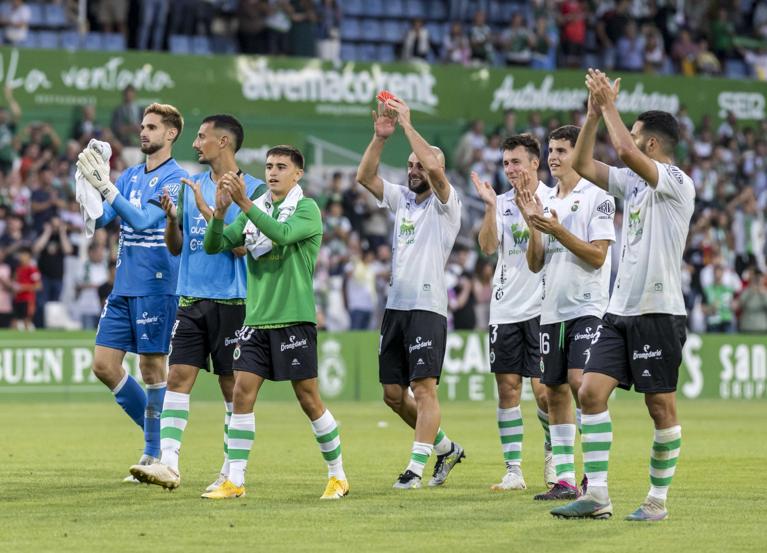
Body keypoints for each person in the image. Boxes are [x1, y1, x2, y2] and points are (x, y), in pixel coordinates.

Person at [551, 69, 694, 521]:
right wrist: (593, 114)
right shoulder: (632, 182)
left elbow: (626, 153)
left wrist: (609, 105)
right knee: (590, 393)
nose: (627, 140)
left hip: (658, 310)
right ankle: (598, 496)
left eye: (634, 134)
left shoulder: (676, 181)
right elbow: (583, 164)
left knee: (660, 406)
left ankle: (657, 500)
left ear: (652, 144)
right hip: (618, 310)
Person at [201, 145, 349, 500]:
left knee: (309, 399)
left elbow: (281, 235)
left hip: (294, 320)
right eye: (268, 166)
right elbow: (214, 246)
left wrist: (243, 206)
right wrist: (220, 214)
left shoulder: (307, 209)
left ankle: (338, 475)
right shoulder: (256, 208)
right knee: (241, 393)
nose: (273, 172)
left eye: (282, 167)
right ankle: (235, 480)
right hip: (256, 319)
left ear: (297, 174)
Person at [130, 115, 266, 494]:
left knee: (232, 388)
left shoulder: (253, 190)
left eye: (202, 137)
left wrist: (214, 210)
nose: (195, 143)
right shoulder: (188, 188)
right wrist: (173, 219)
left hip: (234, 301)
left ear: (224, 142)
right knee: (177, 378)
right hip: (190, 298)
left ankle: (230, 470)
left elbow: (244, 248)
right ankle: (169, 464)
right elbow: (176, 246)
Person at [356, 94, 464, 489]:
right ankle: (446, 448)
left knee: (424, 389)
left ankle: (414, 470)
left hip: (427, 307)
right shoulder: (401, 199)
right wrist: (381, 138)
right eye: (410, 165)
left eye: (420, 165)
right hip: (396, 308)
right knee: (392, 395)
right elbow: (365, 177)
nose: (415, 169)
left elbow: (435, 167)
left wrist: (407, 125)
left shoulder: (448, 204)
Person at [75, 103, 187, 481]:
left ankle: (154, 453)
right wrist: (88, 187)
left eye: (152, 127)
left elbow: (141, 219)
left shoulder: (176, 179)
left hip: (158, 285)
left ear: (170, 134)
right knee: (103, 366)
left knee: (153, 368)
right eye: (142, 126)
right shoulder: (131, 175)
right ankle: (157, 439)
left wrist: (106, 187)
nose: (144, 132)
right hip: (124, 286)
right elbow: (106, 218)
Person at [516, 126, 615, 500]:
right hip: (551, 310)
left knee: (580, 384)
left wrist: (556, 229)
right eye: (551, 150)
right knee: (553, 393)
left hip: (588, 307)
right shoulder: (548, 199)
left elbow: (597, 256)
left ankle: (593, 477)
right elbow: (536, 264)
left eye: (561, 150)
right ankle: (564, 479)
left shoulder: (598, 196)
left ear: (578, 153)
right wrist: (534, 226)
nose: (553, 157)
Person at [471, 133, 555, 491]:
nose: (510, 169)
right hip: (505, 309)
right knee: (508, 390)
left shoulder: (555, 199)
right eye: (505, 163)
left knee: (543, 392)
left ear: (535, 163)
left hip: (543, 308)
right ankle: (514, 471)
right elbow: (488, 246)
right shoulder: (501, 202)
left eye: (516, 161)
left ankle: (554, 456)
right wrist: (490, 208)